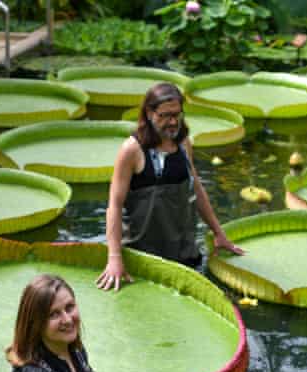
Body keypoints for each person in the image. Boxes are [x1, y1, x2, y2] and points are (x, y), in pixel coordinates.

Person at [96, 82, 243, 291]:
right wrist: (114, 258)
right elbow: (114, 205)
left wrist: (219, 233)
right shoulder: (132, 150)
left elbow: (196, 189)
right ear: (149, 113)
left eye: (177, 115)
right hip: (143, 257)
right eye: (165, 115)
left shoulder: (183, 144)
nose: (173, 122)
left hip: (184, 253)